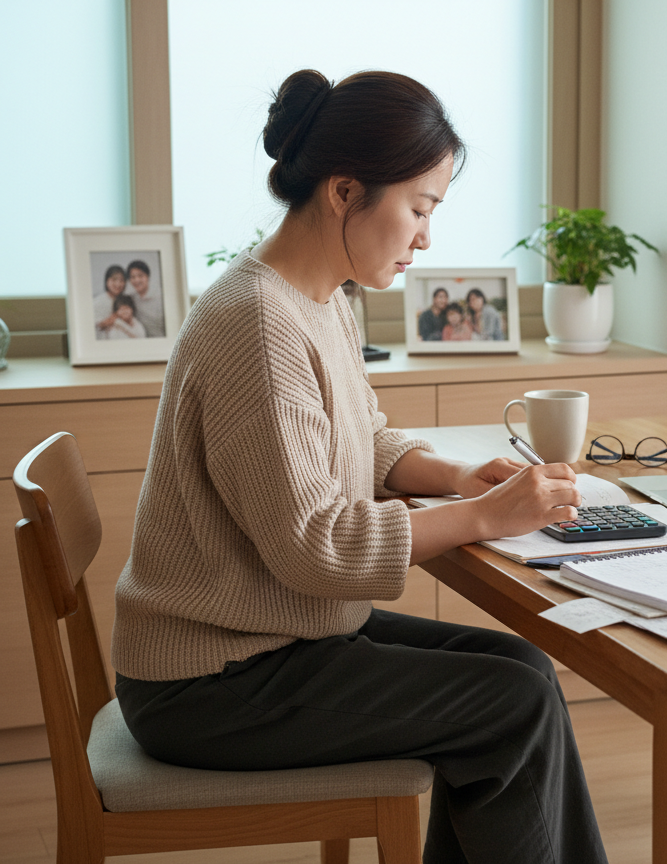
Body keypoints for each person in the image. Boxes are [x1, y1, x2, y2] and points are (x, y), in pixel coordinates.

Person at [110, 68, 607, 864]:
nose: (425, 237)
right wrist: (484, 518)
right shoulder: (259, 326)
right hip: (211, 682)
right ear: (345, 191)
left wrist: (453, 478)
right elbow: (316, 546)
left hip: (273, 639)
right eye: (419, 207)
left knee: (520, 669)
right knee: (510, 704)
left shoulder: (316, 300)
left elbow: (358, 438)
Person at [125, 259, 166, 338]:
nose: (137, 280)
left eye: (140, 276)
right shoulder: (132, 299)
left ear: (148, 277)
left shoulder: (161, 297)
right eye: (133, 277)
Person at [93, 264, 126, 338]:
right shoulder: (97, 301)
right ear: (107, 281)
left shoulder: (125, 301)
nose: (118, 284)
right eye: (114, 279)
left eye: (122, 280)